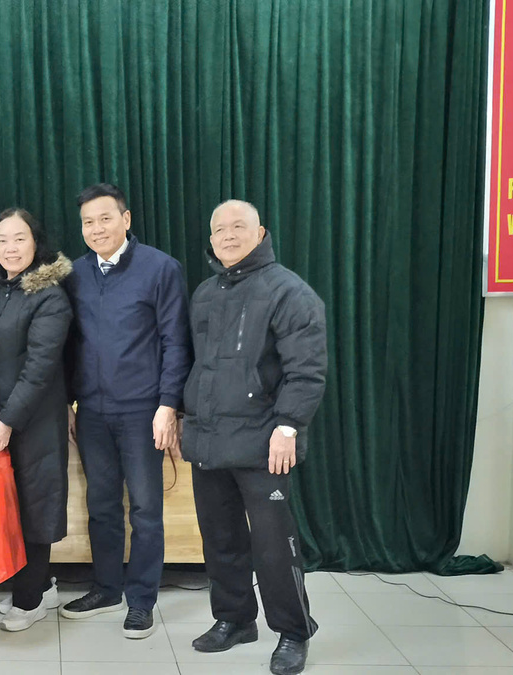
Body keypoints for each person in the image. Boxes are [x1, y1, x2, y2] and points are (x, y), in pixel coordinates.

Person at [182, 200, 326, 674]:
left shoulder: (290, 291)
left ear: (260, 232)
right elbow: (197, 364)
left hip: (265, 443)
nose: (228, 235)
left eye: (238, 226)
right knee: (220, 538)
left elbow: (306, 371)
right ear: (211, 238)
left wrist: (288, 426)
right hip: (209, 438)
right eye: (219, 229)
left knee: (274, 546)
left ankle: (293, 631)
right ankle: (234, 619)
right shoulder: (204, 293)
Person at [61, 183, 192, 640]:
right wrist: (69, 402)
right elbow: (68, 346)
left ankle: (141, 600)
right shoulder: (74, 273)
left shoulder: (160, 268)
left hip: (143, 411)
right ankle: (106, 588)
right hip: (92, 411)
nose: (97, 228)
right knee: (101, 505)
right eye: (88, 222)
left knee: (145, 509)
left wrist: (168, 405)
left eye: (105, 218)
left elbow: (176, 341)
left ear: (126, 218)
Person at [0, 208, 73, 632]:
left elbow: (39, 368)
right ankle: (41, 587)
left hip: (35, 419)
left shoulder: (51, 297)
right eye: (2, 240)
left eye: (19, 238)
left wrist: (9, 419)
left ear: (36, 243)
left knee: (35, 505)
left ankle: (29, 602)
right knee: (7, 506)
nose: (10, 248)